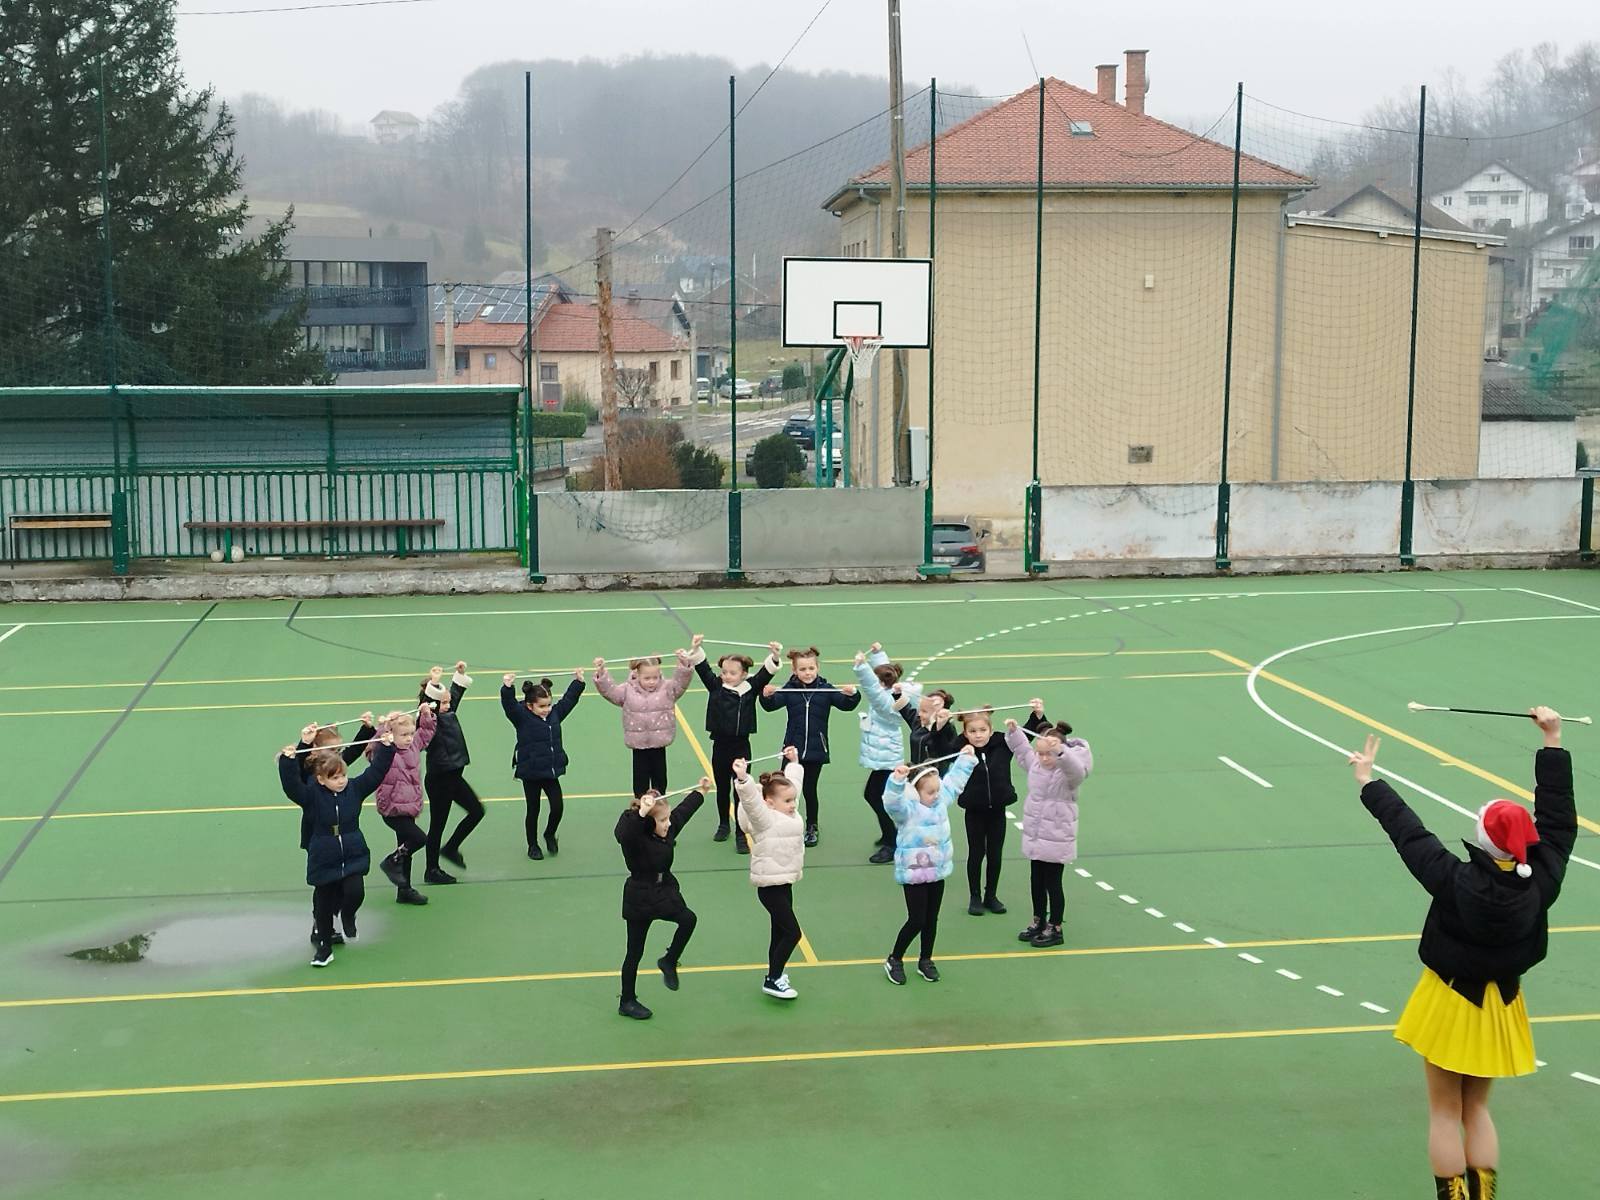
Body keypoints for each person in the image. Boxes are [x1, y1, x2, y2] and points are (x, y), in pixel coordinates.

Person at [1349, 708, 1576, 1200]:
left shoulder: (1455, 880)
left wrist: (1369, 782)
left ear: (1484, 840)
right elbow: (1559, 821)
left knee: (1444, 1112)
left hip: (1450, 1001)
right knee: (1477, 1110)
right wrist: (1553, 739)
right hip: (1501, 1005)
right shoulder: (1542, 880)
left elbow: (1410, 834)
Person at [277, 730, 395, 967]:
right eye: (334, 778)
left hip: (352, 852)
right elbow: (291, 786)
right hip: (324, 854)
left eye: (343, 776)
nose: (341, 781)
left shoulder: (355, 789)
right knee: (323, 903)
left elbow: (376, 772)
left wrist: (386, 747)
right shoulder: (311, 796)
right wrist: (287, 762)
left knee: (355, 892)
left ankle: (348, 916)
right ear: (321, 779)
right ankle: (324, 947)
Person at [880, 744, 977, 985]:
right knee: (917, 920)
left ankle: (926, 959)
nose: (936, 795)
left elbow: (954, 782)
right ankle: (895, 958)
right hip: (914, 873)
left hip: (937, 871)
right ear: (915, 792)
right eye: (930, 792)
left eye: (937, 790)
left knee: (931, 919)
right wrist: (896, 781)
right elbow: (891, 802)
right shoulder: (907, 810)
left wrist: (966, 759)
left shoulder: (940, 800)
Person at [614, 777, 711, 1020]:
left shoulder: (666, 830)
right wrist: (641, 813)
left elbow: (683, 813)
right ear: (649, 821)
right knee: (634, 952)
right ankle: (627, 1001)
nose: (668, 824)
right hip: (639, 896)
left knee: (688, 920)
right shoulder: (635, 837)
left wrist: (700, 791)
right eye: (662, 820)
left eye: (667, 819)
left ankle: (669, 960)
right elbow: (623, 834)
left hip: (663, 891)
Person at [689, 635, 782, 853]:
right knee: (722, 788)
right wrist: (696, 648)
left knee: (741, 790)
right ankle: (723, 824)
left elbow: (767, 672)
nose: (727, 676)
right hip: (720, 745)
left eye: (732, 673)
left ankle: (741, 832)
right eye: (724, 672)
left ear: (744, 674)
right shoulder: (716, 686)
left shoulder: (751, 687)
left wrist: (775, 655)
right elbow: (703, 668)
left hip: (741, 747)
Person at [1006, 717, 1093, 948]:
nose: (1043, 758)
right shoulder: (1036, 764)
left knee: (1053, 883)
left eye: (1049, 754)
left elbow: (1077, 770)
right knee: (1036, 880)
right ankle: (1038, 920)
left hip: (1057, 835)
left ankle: (1055, 927)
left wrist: (1061, 752)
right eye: (1041, 753)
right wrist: (1014, 732)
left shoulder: (1068, 774)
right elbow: (1023, 752)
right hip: (1036, 833)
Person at [760, 646, 860, 847]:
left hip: (816, 750)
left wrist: (853, 694)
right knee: (784, 787)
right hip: (792, 750)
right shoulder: (789, 689)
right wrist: (766, 695)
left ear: (817, 668)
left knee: (809, 789)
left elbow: (846, 705)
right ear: (794, 670)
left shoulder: (826, 689)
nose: (807, 673)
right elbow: (770, 706)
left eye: (811, 668)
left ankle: (812, 826)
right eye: (803, 669)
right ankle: (781, 822)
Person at [956, 699, 1049, 916]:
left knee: (995, 854)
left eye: (982, 730)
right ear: (965, 733)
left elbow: (1024, 737)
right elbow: (942, 743)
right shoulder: (962, 748)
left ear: (990, 730)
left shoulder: (1002, 743)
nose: (978, 735)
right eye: (972, 731)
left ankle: (991, 895)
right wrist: (941, 723)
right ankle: (975, 896)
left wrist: (1037, 715)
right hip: (974, 810)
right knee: (976, 853)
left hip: (997, 809)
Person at [291, 713, 375, 944]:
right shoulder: (309, 769)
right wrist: (303, 743)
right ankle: (320, 924)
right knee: (324, 884)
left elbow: (352, 753)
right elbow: (296, 766)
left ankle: (333, 918)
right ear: (316, 750)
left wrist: (367, 730)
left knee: (342, 882)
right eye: (332, 750)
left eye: (338, 750)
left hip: (340, 836)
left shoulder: (332, 763)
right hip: (317, 835)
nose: (337, 755)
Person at [734, 747, 807, 1000]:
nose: (793, 804)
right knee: (793, 933)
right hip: (770, 887)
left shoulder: (790, 813)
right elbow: (751, 803)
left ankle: (775, 975)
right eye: (787, 802)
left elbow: (794, 785)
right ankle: (773, 979)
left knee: (779, 932)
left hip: (785, 882)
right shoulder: (765, 820)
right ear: (769, 802)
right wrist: (744, 779)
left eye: (793, 800)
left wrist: (793, 763)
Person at [500, 671, 585, 859]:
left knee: (557, 807)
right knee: (533, 810)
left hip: (549, 771)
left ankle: (549, 833)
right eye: (541, 706)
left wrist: (578, 683)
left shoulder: (555, 714)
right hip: (531, 772)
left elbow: (569, 701)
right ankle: (533, 845)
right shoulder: (521, 717)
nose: (547, 709)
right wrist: (507, 687)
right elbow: (509, 705)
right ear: (530, 706)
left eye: (549, 705)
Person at [853, 644, 922, 865]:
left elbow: (871, 687)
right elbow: (884, 671)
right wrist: (877, 654)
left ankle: (892, 842)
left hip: (887, 758)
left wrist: (861, 667)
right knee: (875, 795)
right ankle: (889, 835)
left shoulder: (887, 702)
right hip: (885, 755)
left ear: (882, 683)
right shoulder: (892, 690)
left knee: (875, 796)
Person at [593, 651, 694, 799]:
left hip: (659, 744)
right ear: (637, 675)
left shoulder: (667, 688)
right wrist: (601, 672)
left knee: (660, 781)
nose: (651, 681)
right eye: (647, 678)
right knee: (640, 783)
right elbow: (610, 692)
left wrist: (684, 663)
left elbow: (681, 683)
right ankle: (640, 807)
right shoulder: (627, 690)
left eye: (655, 677)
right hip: (638, 745)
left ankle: (660, 807)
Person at [419, 662, 485, 884]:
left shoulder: (447, 711)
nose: (449, 705)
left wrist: (460, 674)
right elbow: (428, 703)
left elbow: (454, 696)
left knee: (476, 811)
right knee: (438, 825)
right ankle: (431, 870)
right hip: (440, 780)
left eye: (448, 701)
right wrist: (434, 682)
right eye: (444, 702)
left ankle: (451, 848)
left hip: (453, 777)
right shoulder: (428, 719)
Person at [370, 704, 437, 906]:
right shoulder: (386, 750)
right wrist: (384, 728)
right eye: (403, 735)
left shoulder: (414, 745)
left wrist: (426, 715)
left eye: (410, 734)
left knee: (406, 848)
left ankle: (404, 889)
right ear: (392, 735)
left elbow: (426, 733)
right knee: (419, 838)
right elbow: (374, 747)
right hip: (392, 808)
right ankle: (391, 861)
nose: (408, 738)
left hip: (409, 806)